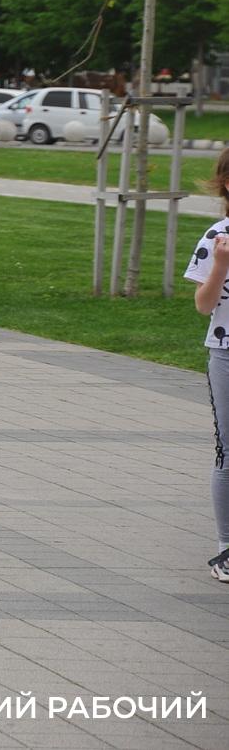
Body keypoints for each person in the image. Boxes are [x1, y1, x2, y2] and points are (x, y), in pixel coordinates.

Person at [183, 150, 229, 584]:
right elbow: (203, 305)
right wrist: (220, 264)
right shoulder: (218, 236)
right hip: (227, 354)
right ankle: (226, 548)